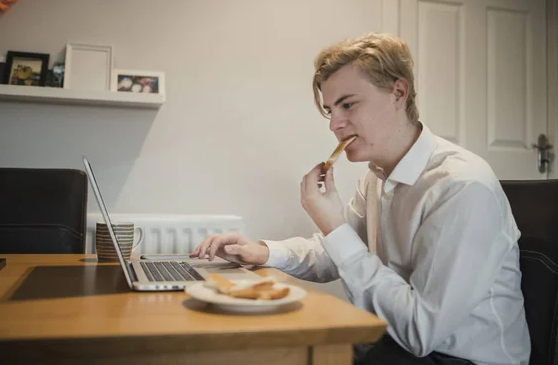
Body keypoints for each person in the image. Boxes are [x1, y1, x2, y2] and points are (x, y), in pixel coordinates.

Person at [190, 33, 530, 364]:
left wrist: (333, 226)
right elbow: (338, 252)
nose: (334, 124)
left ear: (398, 92)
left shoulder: (461, 186)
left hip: (457, 357)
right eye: (330, 110)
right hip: (397, 345)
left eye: (348, 104)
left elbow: (421, 331)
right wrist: (263, 252)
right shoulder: (376, 176)